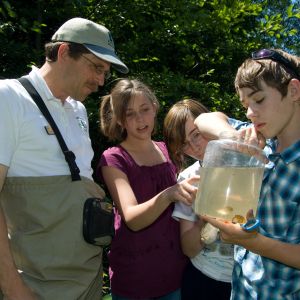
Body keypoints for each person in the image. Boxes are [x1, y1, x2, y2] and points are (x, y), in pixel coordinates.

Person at [0, 17, 128, 300]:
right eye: (96, 67)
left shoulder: (79, 111)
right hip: (37, 285)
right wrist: (13, 289)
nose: (101, 81)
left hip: (88, 279)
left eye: (105, 72)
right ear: (63, 52)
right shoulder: (7, 97)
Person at [194, 48, 300, 299]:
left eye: (259, 100)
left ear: (294, 91)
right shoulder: (256, 137)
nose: (250, 113)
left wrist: (253, 242)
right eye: (245, 105)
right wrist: (230, 137)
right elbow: (203, 119)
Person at [97, 79, 199, 300]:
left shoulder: (168, 149)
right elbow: (132, 218)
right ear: (120, 120)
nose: (140, 119)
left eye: (144, 109)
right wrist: (169, 194)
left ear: (155, 107)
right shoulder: (114, 158)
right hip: (135, 278)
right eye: (130, 114)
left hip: (176, 273)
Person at [163, 99, 248, 299]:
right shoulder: (188, 180)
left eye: (196, 135)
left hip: (248, 280)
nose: (194, 146)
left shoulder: (246, 161)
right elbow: (189, 248)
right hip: (205, 279)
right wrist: (204, 216)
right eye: (184, 143)